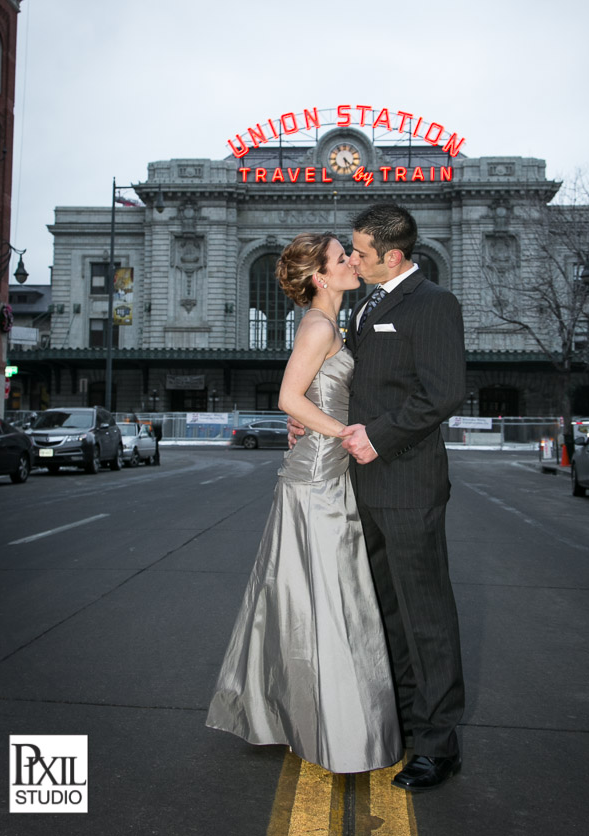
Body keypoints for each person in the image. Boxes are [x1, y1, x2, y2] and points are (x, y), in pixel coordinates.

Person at [206, 232, 402, 775]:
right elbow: (288, 398)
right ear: (320, 276)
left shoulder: (334, 323)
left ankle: (293, 715)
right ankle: (337, 729)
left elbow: (310, 399)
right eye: (343, 259)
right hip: (317, 478)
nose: (352, 262)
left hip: (323, 471)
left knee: (305, 598)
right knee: (327, 600)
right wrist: (346, 434)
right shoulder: (317, 326)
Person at [289, 203, 466, 792]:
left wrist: (378, 435)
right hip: (358, 483)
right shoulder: (365, 304)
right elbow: (351, 383)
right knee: (387, 614)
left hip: (409, 483)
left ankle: (440, 745)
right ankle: (408, 726)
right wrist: (313, 421)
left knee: (427, 616)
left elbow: (442, 394)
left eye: (359, 252)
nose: (352, 258)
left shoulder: (433, 303)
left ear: (392, 255)